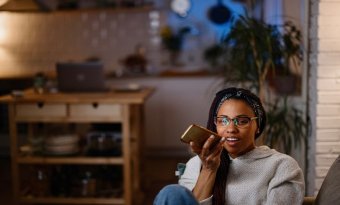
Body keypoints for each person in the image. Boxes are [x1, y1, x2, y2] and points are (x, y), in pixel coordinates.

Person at [153, 87, 305, 205]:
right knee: (171, 193)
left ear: (257, 126)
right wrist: (209, 169)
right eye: (223, 120)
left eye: (242, 121)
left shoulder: (282, 166)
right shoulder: (197, 164)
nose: (231, 129)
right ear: (215, 124)